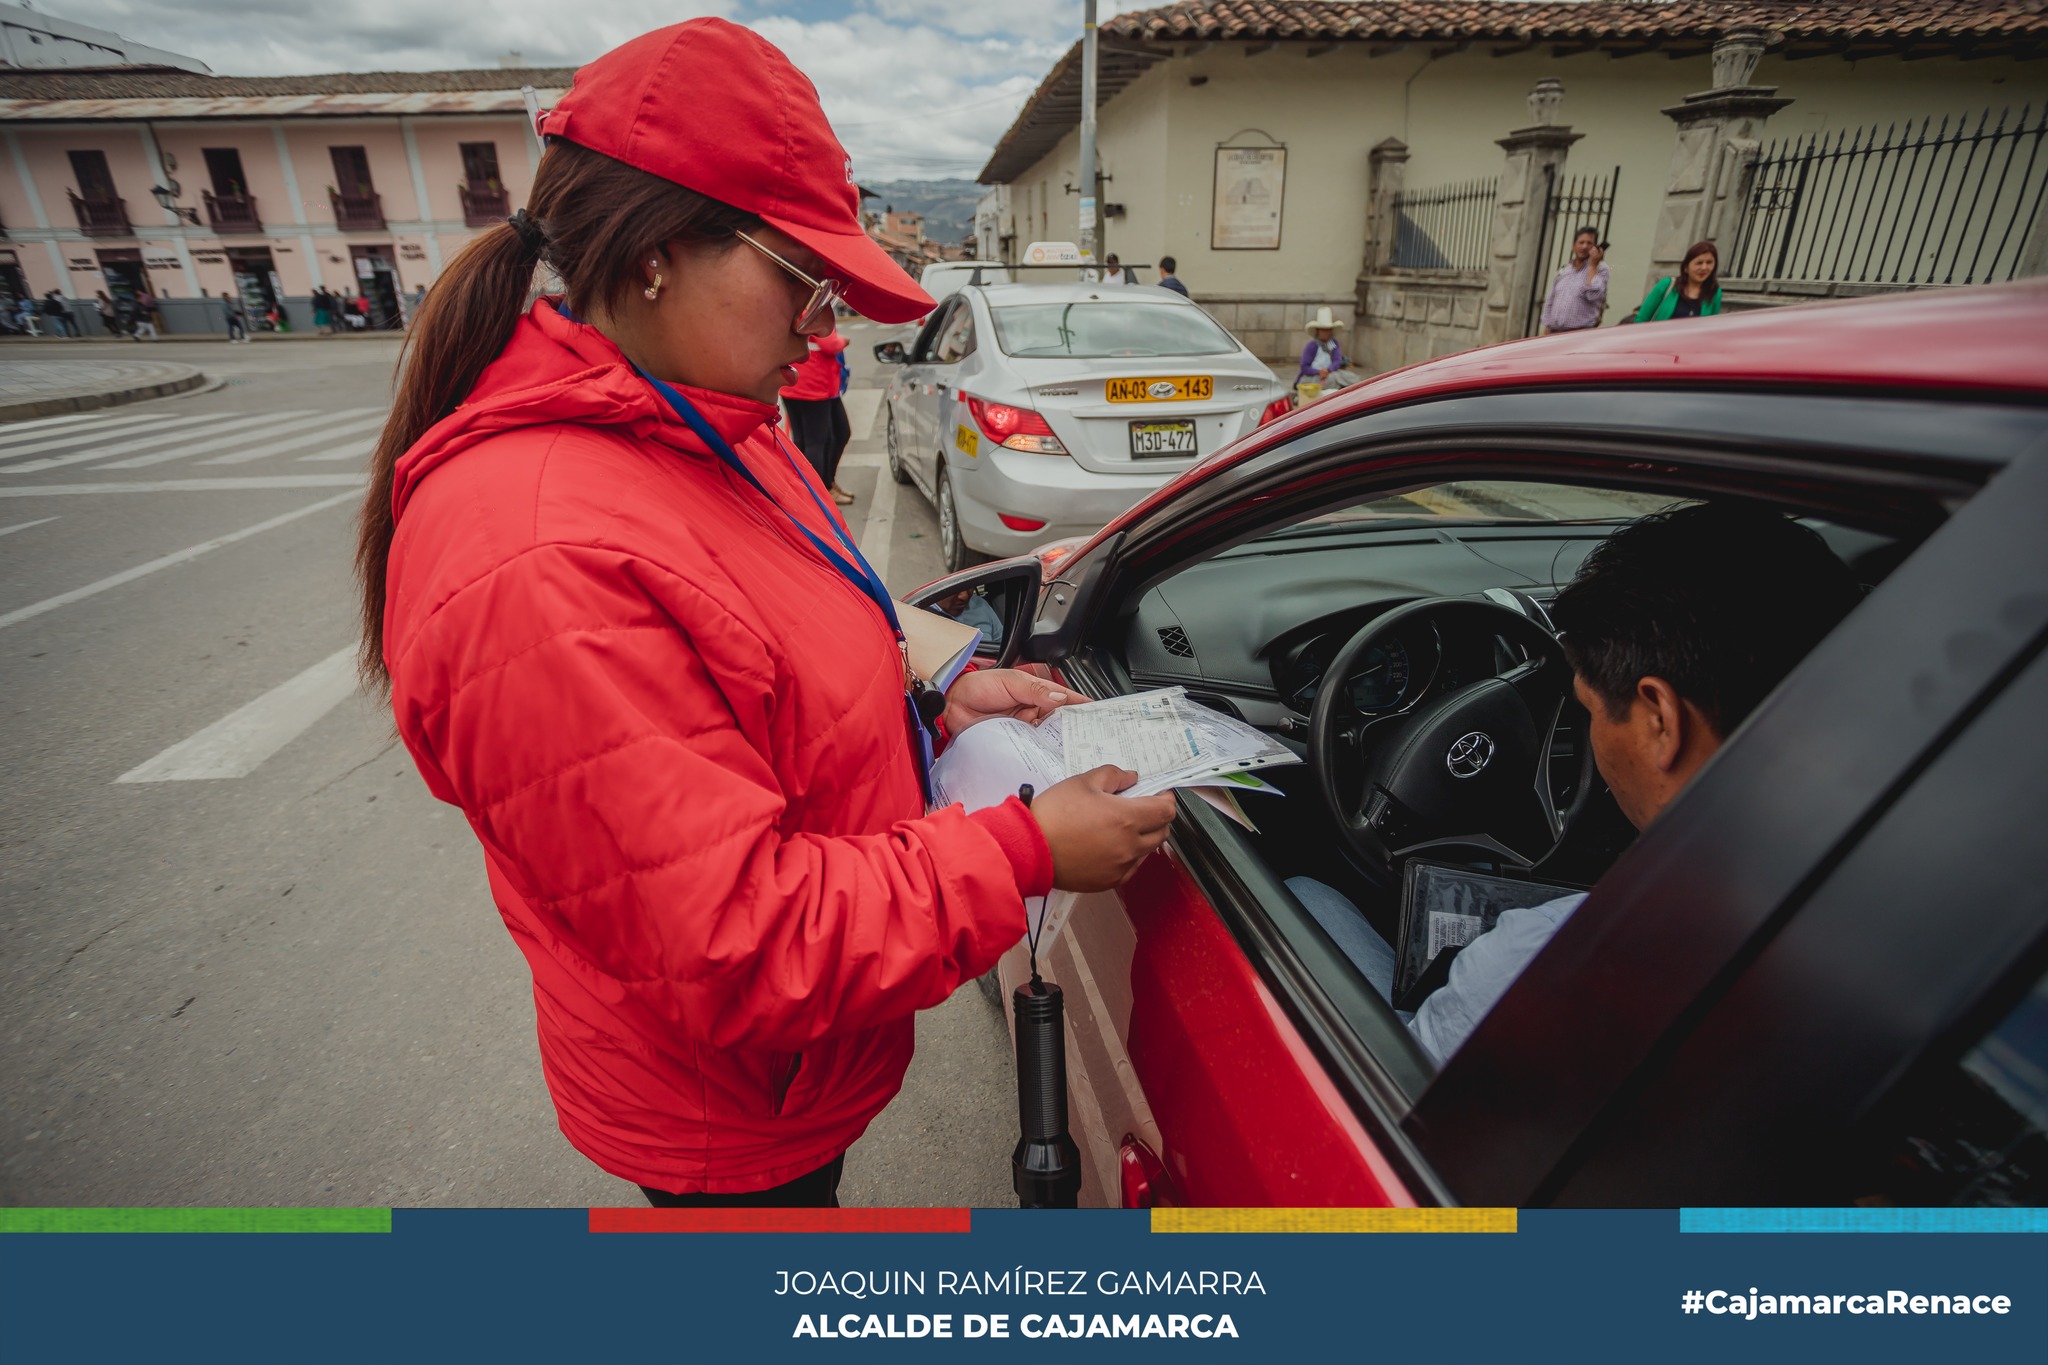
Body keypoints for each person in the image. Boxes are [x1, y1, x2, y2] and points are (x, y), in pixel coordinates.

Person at [355, 18, 1177, 1209]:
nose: (822, 323)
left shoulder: (710, 419)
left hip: (796, 1067)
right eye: (803, 278)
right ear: (653, 256)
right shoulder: (539, 557)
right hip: (728, 1097)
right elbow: (730, 939)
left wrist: (940, 688)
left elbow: (789, 613)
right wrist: (1023, 852)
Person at [1287, 502, 1863, 1065]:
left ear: (1660, 719)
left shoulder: (1537, 962)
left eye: (1587, 708)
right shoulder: (1886, 876)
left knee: (1305, 899)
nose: (1588, 734)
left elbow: (1397, 1107)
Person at [780, 319, 854, 504]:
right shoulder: (814, 307)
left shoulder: (793, 302)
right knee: (818, 442)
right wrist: (844, 341)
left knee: (808, 440)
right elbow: (830, 345)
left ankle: (820, 487)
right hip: (814, 385)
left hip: (796, 383)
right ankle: (821, 493)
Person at [1540, 226, 1608, 334]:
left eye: (1589, 243)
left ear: (1595, 247)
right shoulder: (1565, 270)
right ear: (1573, 246)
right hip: (1554, 332)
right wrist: (1547, 325)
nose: (1584, 246)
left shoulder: (1600, 269)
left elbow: (1593, 295)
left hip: (1579, 333)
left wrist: (1592, 266)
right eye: (1581, 242)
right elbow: (1551, 299)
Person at [1635, 240, 1722, 322]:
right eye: (1699, 263)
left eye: (1709, 262)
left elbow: (1711, 327)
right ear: (1686, 268)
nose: (1704, 268)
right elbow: (1642, 319)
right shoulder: (1667, 285)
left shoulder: (1715, 293)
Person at [1297, 307, 1357, 389]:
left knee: (1351, 378)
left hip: (1330, 373)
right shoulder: (1311, 346)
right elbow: (1304, 367)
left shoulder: (1334, 344)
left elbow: (1337, 360)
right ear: (1318, 331)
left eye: (1327, 330)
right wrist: (1318, 372)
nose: (1325, 333)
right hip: (1314, 375)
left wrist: (1328, 370)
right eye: (1323, 330)